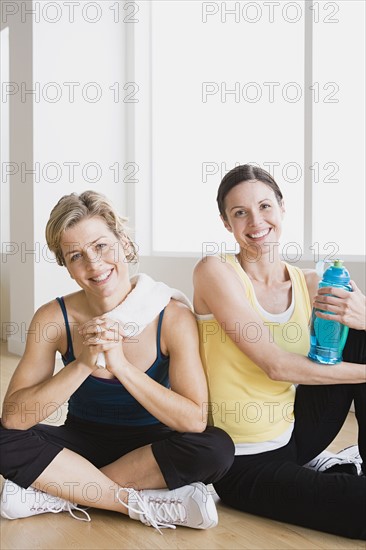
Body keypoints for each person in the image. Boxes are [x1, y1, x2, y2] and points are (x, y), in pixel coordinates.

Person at [0, 190, 234, 531]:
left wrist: (120, 365)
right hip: (80, 445)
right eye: (76, 256)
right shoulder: (54, 318)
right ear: (65, 266)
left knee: (215, 448)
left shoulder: (171, 316)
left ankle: (60, 493)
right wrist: (83, 364)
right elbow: (15, 417)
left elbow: (194, 420)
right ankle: (136, 504)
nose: (94, 264)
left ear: (123, 242)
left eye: (101, 246)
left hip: (151, 449)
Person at [193, 164, 366, 540]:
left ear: (282, 208)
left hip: (298, 433)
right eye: (240, 213)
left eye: (265, 206)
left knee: (360, 332)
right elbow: (275, 365)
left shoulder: (309, 282)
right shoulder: (215, 272)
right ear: (226, 223)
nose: (256, 221)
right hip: (243, 460)